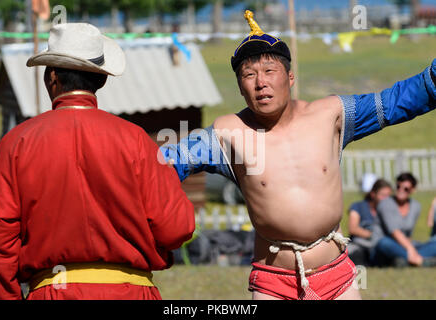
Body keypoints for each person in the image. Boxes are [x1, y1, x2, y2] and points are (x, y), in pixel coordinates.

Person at [160, 10, 435, 300]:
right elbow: (168, 161)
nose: (260, 82)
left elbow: (394, 103)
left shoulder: (332, 115)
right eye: (248, 75)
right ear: (241, 88)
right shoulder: (228, 135)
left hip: (337, 276)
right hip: (272, 283)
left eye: (269, 71)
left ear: (290, 77)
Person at [0, 23, 195, 300]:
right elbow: (176, 228)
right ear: (101, 79)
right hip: (131, 293)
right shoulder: (136, 139)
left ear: (51, 77)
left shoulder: (16, 142)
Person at [370, 173, 436, 267]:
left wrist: (411, 248)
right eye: (398, 187)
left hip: (404, 246)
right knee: (384, 243)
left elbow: (408, 235)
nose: (401, 190)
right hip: (385, 246)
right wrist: (411, 249)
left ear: (413, 190)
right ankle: (421, 261)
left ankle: (403, 260)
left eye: (406, 189)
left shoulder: (415, 206)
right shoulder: (385, 204)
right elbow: (394, 232)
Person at [347, 179, 393, 265]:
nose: (386, 199)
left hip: (380, 245)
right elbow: (353, 229)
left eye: (388, 196)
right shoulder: (358, 206)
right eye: (383, 195)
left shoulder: (390, 210)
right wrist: (374, 235)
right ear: (373, 194)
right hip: (360, 244)